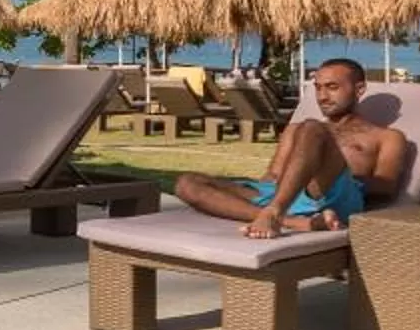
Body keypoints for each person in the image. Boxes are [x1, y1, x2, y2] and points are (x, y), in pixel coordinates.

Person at [172, 57, 405, 239]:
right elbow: (272, 175)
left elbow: (386, 187)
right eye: (318, 88)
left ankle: (275, 213)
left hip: (333, 196)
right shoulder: (296, 130)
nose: (322, 96)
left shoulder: (386, 137)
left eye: (332, 87)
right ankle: (294, 221)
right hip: (282, 195)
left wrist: (329, 166)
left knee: (312, 128)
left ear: (359, 89)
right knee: (187, 183)